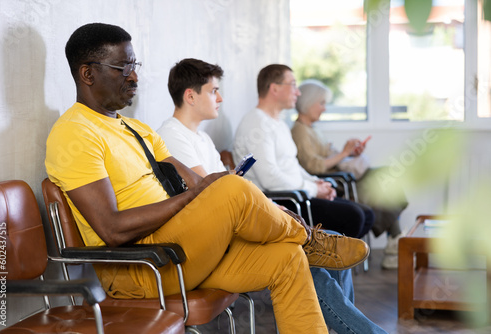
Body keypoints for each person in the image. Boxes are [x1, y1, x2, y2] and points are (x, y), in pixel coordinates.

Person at [45, 23, 370, 334]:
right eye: (122, 67)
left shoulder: (137, 129)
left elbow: (198, 185)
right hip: (141, 268)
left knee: (287, 257)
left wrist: (256, 206)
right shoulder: (74, 133)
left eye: (135, 65)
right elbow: (112, 229)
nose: (134, 76)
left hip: (180, 249)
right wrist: (197, 196)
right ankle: (307, 239)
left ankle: (300, 242)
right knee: (229, 186)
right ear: (87, 73)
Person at [158, 57, 388, 334]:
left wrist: (268, 205)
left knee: (334, 247)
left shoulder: (202, 139)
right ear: (191, 96)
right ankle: (307, 241)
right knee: (311, 262)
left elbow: (229, 185)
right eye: (213, 91)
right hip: (212, 242)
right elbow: (209, 191)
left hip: (230, 228)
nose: (220, 98)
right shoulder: (172, 136)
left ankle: (308, 244)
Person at [233, 64, 374, 240]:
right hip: (283, 201)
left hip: (297, 192)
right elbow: (269, 178)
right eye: (292, 84)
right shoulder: (257, 124)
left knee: (366, 214)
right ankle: (322, 261)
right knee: (355, 216)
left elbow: (293, 165)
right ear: (274, 88)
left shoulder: (278, 123)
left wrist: (317, 182)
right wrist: (313, 189)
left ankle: (331, 261)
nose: (298, 92)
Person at [292, 79, 409, 269]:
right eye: (321, 103)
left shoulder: (312, 130)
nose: (324, 109)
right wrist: (344, 153)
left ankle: (394, 241)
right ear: (307, 103)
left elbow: (333, 158)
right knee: (385, 181)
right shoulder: (300, 132)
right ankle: (394, 242)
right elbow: (313, 166)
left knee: (388, 176)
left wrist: (350, 153)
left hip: (340, 177)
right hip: (333, 183)